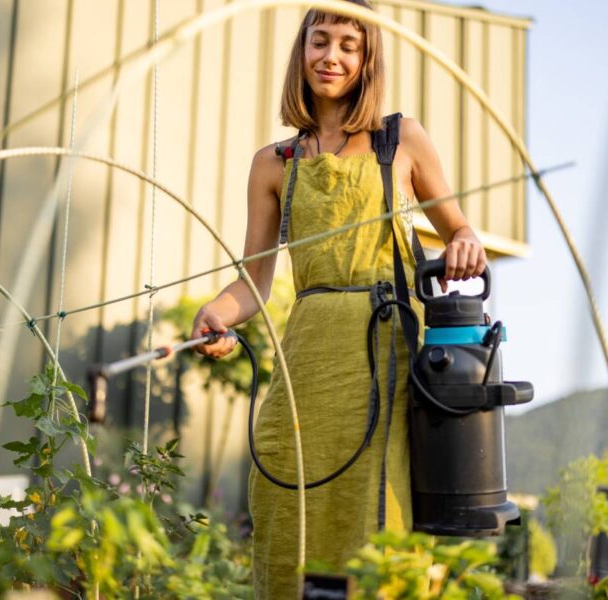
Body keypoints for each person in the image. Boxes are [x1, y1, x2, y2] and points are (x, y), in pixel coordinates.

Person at [191, 0, 486, 595]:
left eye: (349, 46)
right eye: (320, 41)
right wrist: (215, 316)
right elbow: (253, 282)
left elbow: (459, 229)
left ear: (367, 58)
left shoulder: (402, 140)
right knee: (283, 487)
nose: (332, 57)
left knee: (380, 509)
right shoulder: (273, 164)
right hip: (307, 356)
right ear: (302, 51)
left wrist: (463, 242)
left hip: (384, 353)